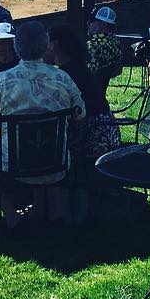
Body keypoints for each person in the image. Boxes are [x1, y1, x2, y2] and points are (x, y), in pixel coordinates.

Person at [0, 21, 86, 227]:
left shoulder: (2, 81)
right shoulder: (62, 78)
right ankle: (50, 208)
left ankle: (11, 215)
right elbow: (80, 115)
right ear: (45, 46)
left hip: (14, 168)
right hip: (56, 163)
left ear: (17, 47)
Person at [47, 23, 120, 221]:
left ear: (54, 44)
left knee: (52, 152)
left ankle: (66, 215)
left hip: (94, 133)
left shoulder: (66, 74)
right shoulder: (77, 67)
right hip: (104, 128)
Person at [85, 6, 121, 86]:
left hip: (85, 93)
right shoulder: (115, 42)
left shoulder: (93, 46)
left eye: (92, 21)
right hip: (100, 93)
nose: (87, 23)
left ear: (103, 25)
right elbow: (118, 71)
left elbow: (86, 76)